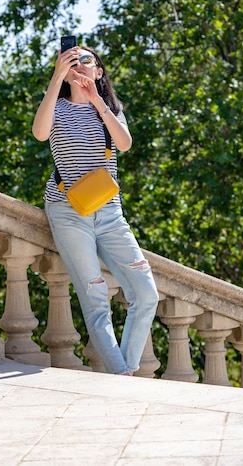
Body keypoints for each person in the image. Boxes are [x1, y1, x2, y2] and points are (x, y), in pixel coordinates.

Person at [32, 44, 159, 375]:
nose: (80, 64)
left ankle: (126, 370)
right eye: (73, 60)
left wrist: (97, 100)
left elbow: (125, 143)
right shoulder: (56, 107)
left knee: (146, 294)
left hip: (110, 214)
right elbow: (39, 132)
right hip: (68, 211)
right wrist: (57, 76)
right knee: (95, 297)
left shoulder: (110, 108)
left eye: (86, 60)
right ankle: (122, 375)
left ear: (99, 72)